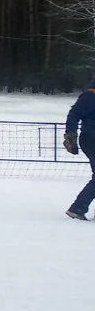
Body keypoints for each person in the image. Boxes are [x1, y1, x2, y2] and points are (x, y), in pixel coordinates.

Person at [64, 77, 95, 219]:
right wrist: (70, 136)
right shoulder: (89, 96)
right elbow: (74, 115)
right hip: (91, 138)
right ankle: (77, 208)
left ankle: (78, 208)